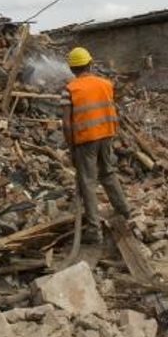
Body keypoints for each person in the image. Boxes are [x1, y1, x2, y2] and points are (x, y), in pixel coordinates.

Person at [60, 46, 132, 244]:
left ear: (72, 69)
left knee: (88, 182)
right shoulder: (106, 84)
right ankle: (125, 211)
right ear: (90, 64)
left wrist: (71, 146)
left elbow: (67, 123)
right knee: (107, 172)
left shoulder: (70, 89)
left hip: (86, 140)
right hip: (106, 135)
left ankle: (94, 230)